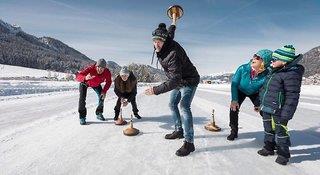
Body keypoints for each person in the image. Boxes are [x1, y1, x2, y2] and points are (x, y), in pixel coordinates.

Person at [145, 19, 200, 157]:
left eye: (159, 41)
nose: (156, 44)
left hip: (189, 80)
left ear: (164, 41)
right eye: (154, 40)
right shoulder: (166, 40)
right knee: (172, 103)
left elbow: (175, 80)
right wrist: (173, 22)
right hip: (178, 79)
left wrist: (155, 90)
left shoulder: (173, 54)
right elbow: (171, 32)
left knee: (184, 106)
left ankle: (189, 143)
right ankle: (178, 130)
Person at [257, 45, 304, 165]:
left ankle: (283, 154)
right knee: (268, 129)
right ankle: (269, 147)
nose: (271, 61)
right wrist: (261, 105)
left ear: (284, 61)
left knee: (281, 131)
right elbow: (264, 90)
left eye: (275, 59)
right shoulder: (273, 72)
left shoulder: (291, 74)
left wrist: (286, 114)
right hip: (267, 107)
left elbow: (292, 96)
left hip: (279, 110)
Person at [228, 49, 273, 140]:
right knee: (233, 108)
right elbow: (234, 84)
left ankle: (271, 134)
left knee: (264, 110)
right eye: (254, 56)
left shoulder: (267, 73)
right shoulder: (243, 68)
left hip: (255, 93)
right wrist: (234, 100)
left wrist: (260, 103)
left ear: (264, 62)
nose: (254, 58)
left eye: (258, 57)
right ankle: (234, 131)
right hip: (240, 90)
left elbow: (264, 89)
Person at [75, 59, 112, 125]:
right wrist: (85, 78)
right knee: (82, 99)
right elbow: (78, 76)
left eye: (102, 68)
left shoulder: (107, 72)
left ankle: (99, 113)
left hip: (96, 84)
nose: (100, 70)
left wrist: (104, 91)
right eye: (98, 67)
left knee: (102, 97)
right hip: (85, 83)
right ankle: (82, 117)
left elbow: (109, 82)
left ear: (105, 68)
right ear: (96, 66)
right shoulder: (90, 68)